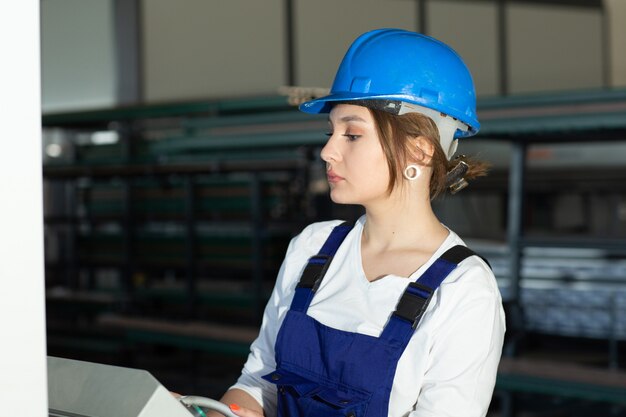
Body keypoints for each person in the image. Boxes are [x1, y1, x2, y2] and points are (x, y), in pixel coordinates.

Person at [212, 28, 505, 417]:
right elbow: (259, 381)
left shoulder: (463, 290)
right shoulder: (312, 248)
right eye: (330, 132)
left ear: (418, 149)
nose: (328, 151)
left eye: (352, 134)